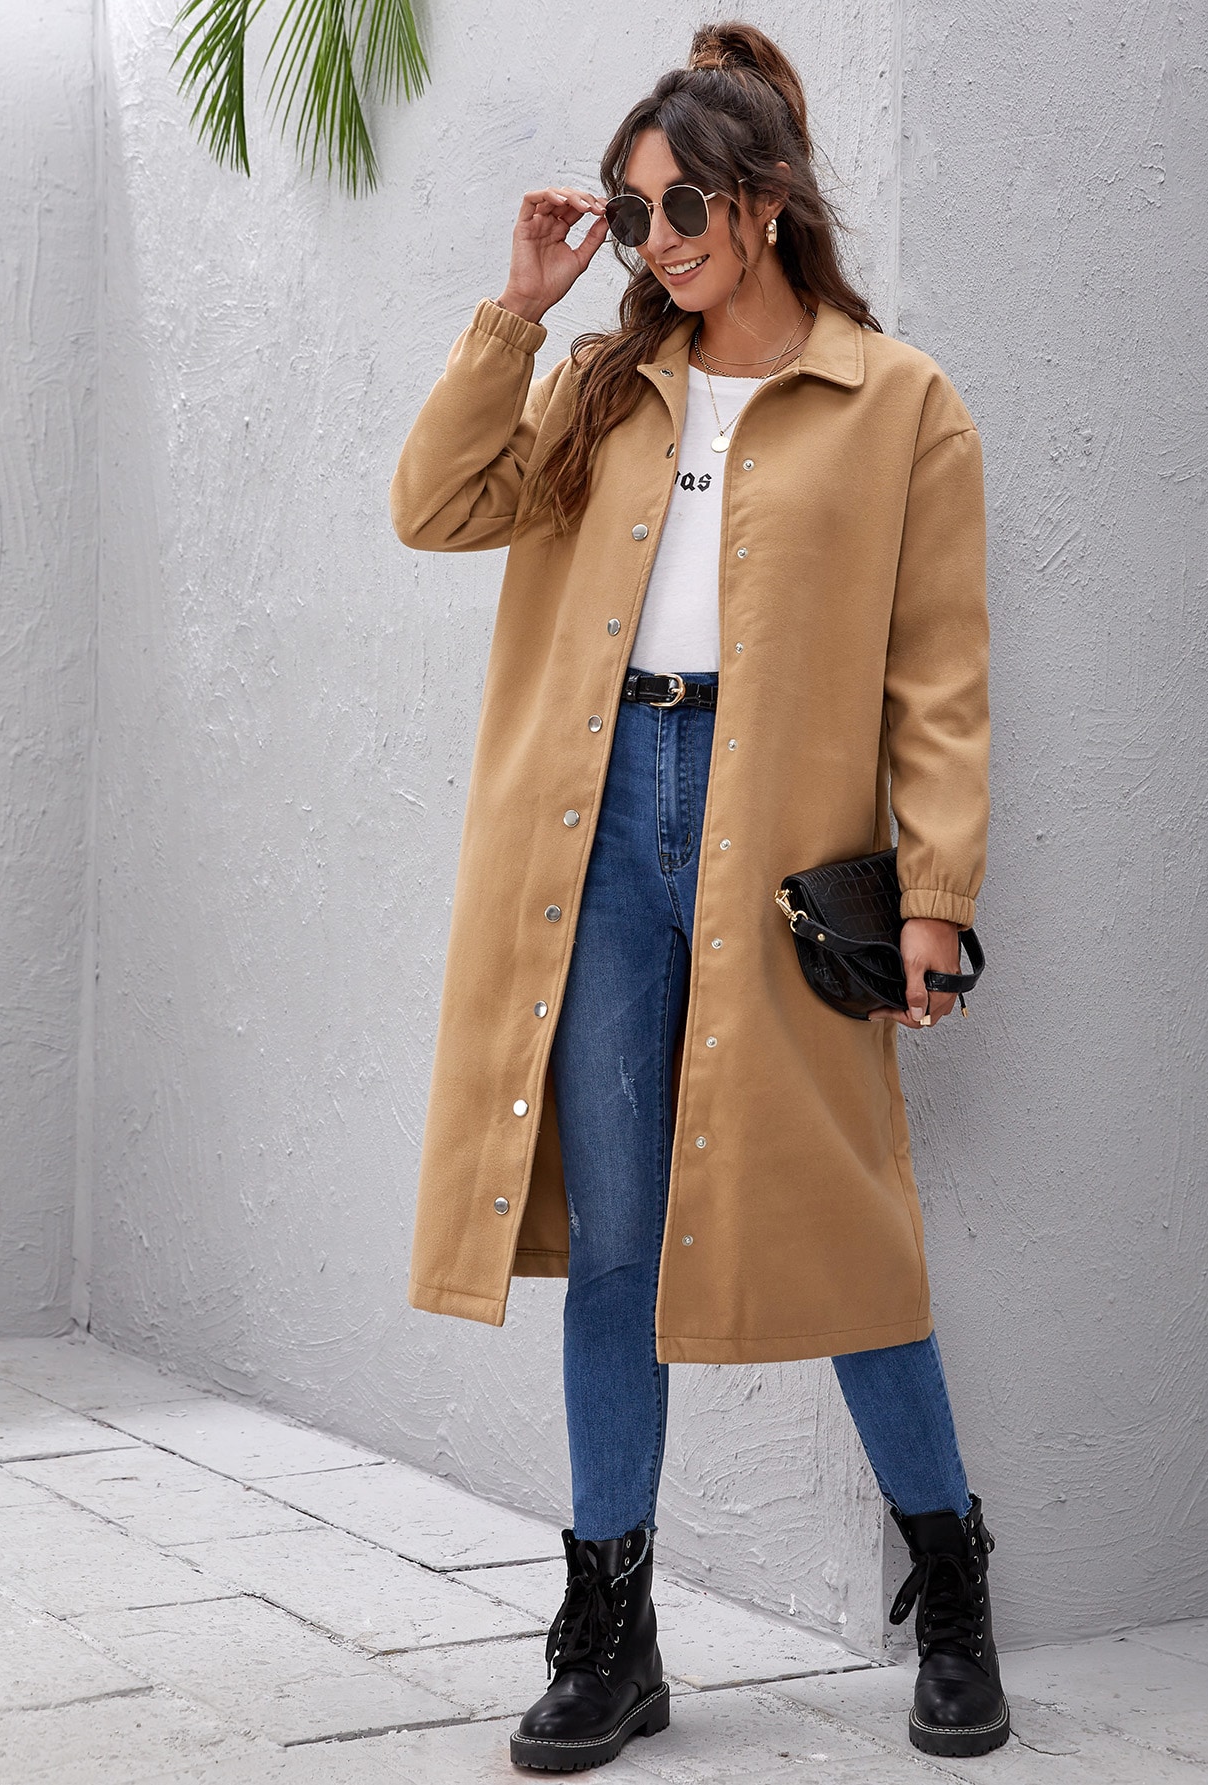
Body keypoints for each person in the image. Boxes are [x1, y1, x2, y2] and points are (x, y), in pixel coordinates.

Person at [389, 20, 1005, 1771]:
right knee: (616, 1239)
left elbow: (938, 675)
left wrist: (935, 896)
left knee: (848, 1220)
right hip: (598, 830)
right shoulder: (603, 384)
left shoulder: (899, 400)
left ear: (764, 202)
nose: (652, 239)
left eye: (679, 207)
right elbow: (435, 506)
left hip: (782, 845)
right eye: (628, 208)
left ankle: (953, 1582)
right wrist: (518, 312)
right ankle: (612, 1623)